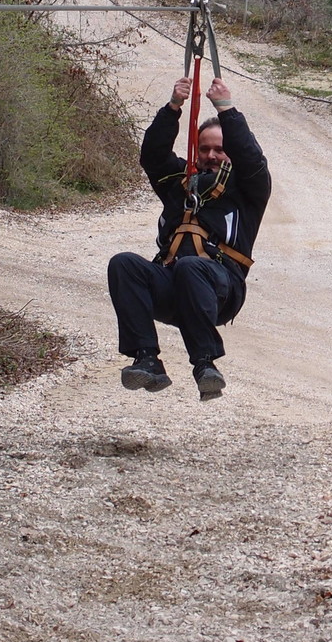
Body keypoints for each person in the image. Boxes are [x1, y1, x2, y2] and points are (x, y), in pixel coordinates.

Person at [106, 74, 271, 400]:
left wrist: (226, 109)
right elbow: (152, 156)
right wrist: (173, 108)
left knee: (191, 267)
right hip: (174, 286)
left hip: (221, 290)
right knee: (123, 264)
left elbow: (251, 160)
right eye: (205, 148)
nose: (211, 155)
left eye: (220, 150)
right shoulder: (178, 184)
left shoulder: (248, 190)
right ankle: (146, 359)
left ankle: (205, 364)